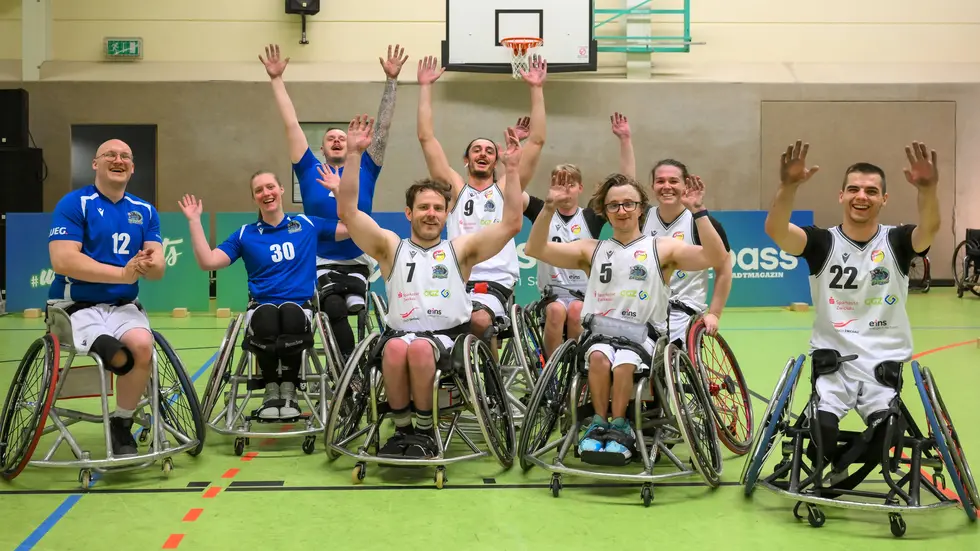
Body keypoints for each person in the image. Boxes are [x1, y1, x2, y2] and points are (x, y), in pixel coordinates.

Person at [318, 114, 524, 458]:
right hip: (400, 335)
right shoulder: (390, 247)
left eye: (438, 208)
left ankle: (426, 431)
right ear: (409, 213)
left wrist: (513, 171)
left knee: (418, 350)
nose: (431, 213)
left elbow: (512, 223)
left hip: (447, 340)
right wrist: (353, 155)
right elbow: (349, 213)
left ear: (446, 215)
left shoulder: (460, 250)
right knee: (396, 348)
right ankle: (403, 430)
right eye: (424, 207)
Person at [764, 140, 940, 483]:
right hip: (834, 362)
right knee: (822, 430)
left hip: (882, 363)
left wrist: (928, 189)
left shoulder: (898, 241)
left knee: (887, 432)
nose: (862, 196)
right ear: (841, 196)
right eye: (854, 189)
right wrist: (788, 186)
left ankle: (840, 469)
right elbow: (776, 230)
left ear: (884, 199)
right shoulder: (822, 243)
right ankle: (832, 462)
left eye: (871, 191)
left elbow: (930, 228)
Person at [524, 172, 729, 464]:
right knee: (598, 357)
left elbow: (716, 257)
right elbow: (534, 249)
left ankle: (620, 426)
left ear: (640, 208)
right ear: (605, 211)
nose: (622, 211)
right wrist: (547, 208)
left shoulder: (662, 247)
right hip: (600, 333)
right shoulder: (591, 249)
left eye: (628, 204)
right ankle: (598, 424)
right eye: (614, 205)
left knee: (624, 364)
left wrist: (698, 212)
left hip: (644, 337)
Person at [259, 42, 408, 361]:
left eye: (342, 136)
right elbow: (291, 124)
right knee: (335, 307)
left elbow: (383, 127)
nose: (338, 140)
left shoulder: (366, 165)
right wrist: (276, 79)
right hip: (320, 260)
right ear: (322, 148)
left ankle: (355, 359)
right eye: (331, 138)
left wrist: (392, 81)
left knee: (354, 303)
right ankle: (349, 368)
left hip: (358, 259)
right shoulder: (308, 168)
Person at [178, 172, 348, 420]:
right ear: (254, 197)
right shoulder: (245, 234)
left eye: (270, 187)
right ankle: (271, 390)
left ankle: (289, 389)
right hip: (261, 307)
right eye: (259, 190)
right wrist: (194, 221)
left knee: (290, 313)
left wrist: (340, 193)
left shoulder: (306, 224)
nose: (266, 193)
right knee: (267, 317)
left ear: (281, 189)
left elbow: (350, 227)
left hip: (299, 307)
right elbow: (208, 261)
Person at [416, 54, 547, 351]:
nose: (483, 153)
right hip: (456, 277)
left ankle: (489, 377)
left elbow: (537, 142)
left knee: (478, 320)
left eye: (489, 150)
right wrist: (425, 87)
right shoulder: (455, 190)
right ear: (467, 159)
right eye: (477, 149)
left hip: (495, 282)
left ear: (497, 159)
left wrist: (536, 89)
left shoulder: (506, 188)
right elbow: (426, 139)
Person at [47, 139, 166, 457]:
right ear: (95, 164)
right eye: (110, 155)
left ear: (132, 167)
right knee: (117, 356)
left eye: (125, 156)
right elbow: (62, 260)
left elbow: (157, 269)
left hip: (123, 306)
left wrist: (149, 264)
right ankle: (115, 372)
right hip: (76, 305)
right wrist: (122, 274)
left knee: (142, 346)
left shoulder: (144, 210)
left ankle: (121, 422)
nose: (118, 159)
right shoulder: (75, 203)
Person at [611, 111, 733, 347]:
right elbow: (626, 185)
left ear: (686, 185)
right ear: (652, 186)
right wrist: (625, 140)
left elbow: (724, 269)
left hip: (684, 313)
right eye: (660, 181)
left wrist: (715, 314)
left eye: (673, 181)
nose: (666, 186)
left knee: (673, 360)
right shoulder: (642, 218)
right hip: (644, 307)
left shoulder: (702, 223)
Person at [522, 165, 605, 359]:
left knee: (576, 310)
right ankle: (550, 368)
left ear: (580, 188)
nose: (565, 190)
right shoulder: (542, 210)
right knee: (555, 311)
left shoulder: (590, 216)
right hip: (552, 293)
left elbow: (625, 186)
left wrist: (625, 146)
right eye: (560, 184)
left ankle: (574, 367)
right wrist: (512, 165)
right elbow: (512, 191)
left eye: (571, 185)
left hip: (582, 294)